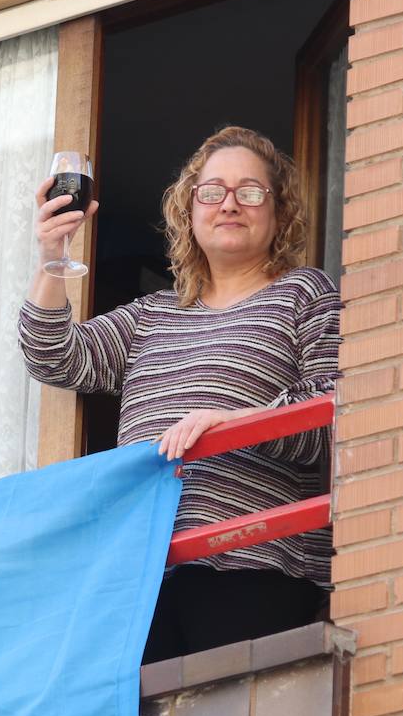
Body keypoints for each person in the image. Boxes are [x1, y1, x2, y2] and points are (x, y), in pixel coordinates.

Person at [18, 126, 340, 663]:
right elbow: (53, 355)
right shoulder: (153, 313)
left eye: (251, 191)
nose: (229, 204)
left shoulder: (304, 293)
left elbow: (332, 416)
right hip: (139, 565)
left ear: (279, 211)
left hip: (254, 562)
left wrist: (232, 424)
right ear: (188, 212)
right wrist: (54, 256)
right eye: (211, 192)